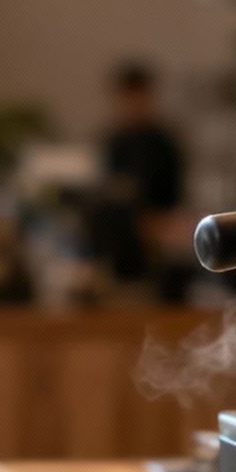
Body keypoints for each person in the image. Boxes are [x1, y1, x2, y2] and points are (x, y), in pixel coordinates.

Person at [93, 62, 189, 299]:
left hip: (160, 223)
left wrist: (158, 220)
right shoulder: (113, 142)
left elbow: (175, 193)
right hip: (124, 224)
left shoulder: (163, 142)